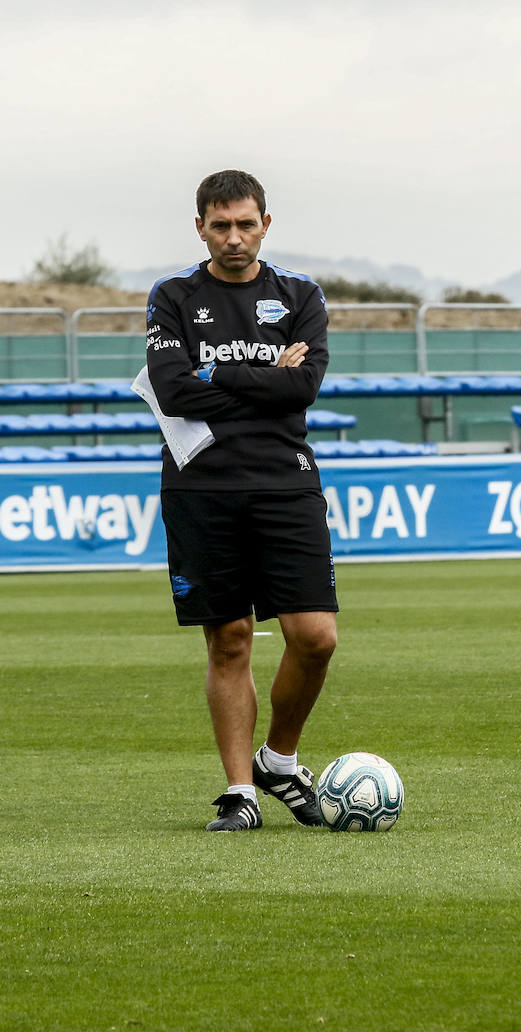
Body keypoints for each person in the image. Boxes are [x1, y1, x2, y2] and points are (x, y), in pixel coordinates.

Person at [145, 170, 337, 832]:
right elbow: (172, 391)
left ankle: (278, 760)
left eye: (246, 223)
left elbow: (302, 389)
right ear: (199, 226)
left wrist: (215, 374)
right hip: (201, 486)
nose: (234, 236)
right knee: (228, 639)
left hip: (286, 481)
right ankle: (240, 793)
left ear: (266, 224)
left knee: (315, 637)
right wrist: (263, 378)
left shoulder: (300, 294)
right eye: (220, 224)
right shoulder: (172, 297)